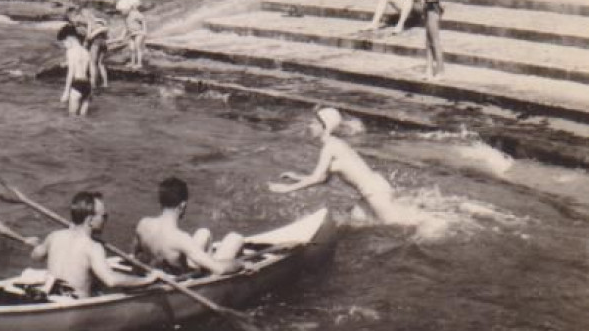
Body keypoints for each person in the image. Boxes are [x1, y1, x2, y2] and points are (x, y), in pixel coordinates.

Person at [268, 108, 442, 231]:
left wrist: (286, 189)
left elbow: (316, 177)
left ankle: (438, 221)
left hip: (373, 192)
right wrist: (296, 176)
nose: (310, 126)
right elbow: (323, 178)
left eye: (314, 123)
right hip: (376, 186)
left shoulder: (330, 147)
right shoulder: (335, 144)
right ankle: (428, 210)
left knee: (399, 223)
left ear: (325, 126)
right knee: (357, 220)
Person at [25, 192, 157, 298]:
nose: (106, 220)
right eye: (104, 216)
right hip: (73, 304)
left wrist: (37, 244)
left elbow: (36, 256)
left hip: (51, 296)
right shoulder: (93, 247)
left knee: (94, 279)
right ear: (90, 220)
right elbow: (111, 280)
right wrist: (148, 280)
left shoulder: (54, 236)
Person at [133, 177, 243, 276]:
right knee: (235, 238)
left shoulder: (143, 224)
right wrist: (241, 264)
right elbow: (219, 269)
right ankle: (211, 275)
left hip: (164, 272)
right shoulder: (180, 239)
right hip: (182, 280)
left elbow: (136, 258)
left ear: (161, 202)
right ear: (182, 205)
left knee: (204, 232)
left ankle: (205, 262)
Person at [57, 23, 94, 116]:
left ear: (69, 38)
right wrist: (92, 89)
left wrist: (66, 92)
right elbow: (93, 71)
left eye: (63, 42)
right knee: (83, 118)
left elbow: (71, 72)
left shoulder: (70, 51)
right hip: (87, 85)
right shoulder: (86, 51)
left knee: (72, 117)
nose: (64, 45)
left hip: (77, 84)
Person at [116, 0, 147, 70]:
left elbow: (143, 20)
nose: (122, 12)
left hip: (139, 33)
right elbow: (126, 27)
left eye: (123, 10)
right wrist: (122, 36)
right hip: (131, 34)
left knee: (137, 47)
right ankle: (132, 62)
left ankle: (139, 63)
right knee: (131, 48)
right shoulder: (126, 17)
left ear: (128, 8)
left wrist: (144, 31)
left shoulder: (136, 14)